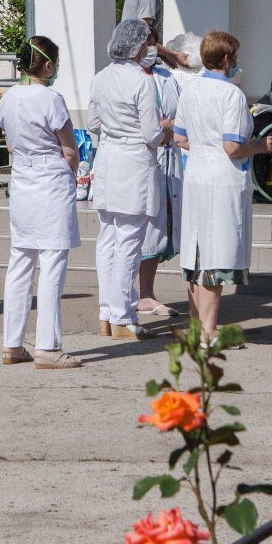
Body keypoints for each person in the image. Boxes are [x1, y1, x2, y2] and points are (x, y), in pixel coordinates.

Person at [176, 31, 272, 337]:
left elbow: (179, 137)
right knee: (216, 253)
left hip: (196, 173)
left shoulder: (189, 90)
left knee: (195, 251)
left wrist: (204, 148)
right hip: (221, 175)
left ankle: (196, 326)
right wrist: (259, 147)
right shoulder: (231, 95)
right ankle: (209, 331)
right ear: (227, 59)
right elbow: (232, 147)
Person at [0, 36, 83, 369]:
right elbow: (70, 149)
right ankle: (48, 345)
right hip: (50, 179)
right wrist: (71, 173)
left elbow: (9, 143)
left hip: (22, 180)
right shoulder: (51, 99)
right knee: (52, 261)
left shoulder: (8, 98)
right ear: (48, 65)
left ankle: (12, 342)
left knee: (20, 259)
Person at [86, 19, 172, 341]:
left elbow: (93, 122)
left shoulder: (101, 77)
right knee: (129, 242)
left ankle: (107, 312)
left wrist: (117, 128)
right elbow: (151, 133)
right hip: (134, 159)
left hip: (107, 157)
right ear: (137, 46)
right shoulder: (141, 80)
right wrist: (165, 127)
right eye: (146, 42)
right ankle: (122, 316)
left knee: (107, 237)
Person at [136, 45, 182, 319]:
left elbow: (183, 112)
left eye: (153, 41)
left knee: (159, 225)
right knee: (139, 227)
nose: (150, 48)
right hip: (141, 160)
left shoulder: (167, 77)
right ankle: (127, 296)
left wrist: (170, 125)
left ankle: (147, 294)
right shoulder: (125, 78)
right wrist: (160, 127)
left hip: (168, 157)